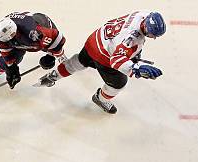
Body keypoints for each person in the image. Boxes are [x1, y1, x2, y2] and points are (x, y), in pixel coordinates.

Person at [35, 11, 166, 114]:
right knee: (119, 84)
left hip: (96, 38)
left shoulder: (143, 14)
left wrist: (134, 54)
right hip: (104, 54)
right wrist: (136, 68)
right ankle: (101, 99)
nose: (153, 38)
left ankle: (53, 76)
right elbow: (116, 61)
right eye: (152, 35)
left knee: (80, 60)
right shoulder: (131, 38)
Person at [0, 11, 66, 91]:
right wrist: (11, 66)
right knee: (7, 62)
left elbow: (58, 38)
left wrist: (50, 55)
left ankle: (60, 56)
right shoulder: (0, 35)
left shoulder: (36, 33)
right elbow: (5, 52)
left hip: (39, 35)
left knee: (52, 50)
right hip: (21, 40)